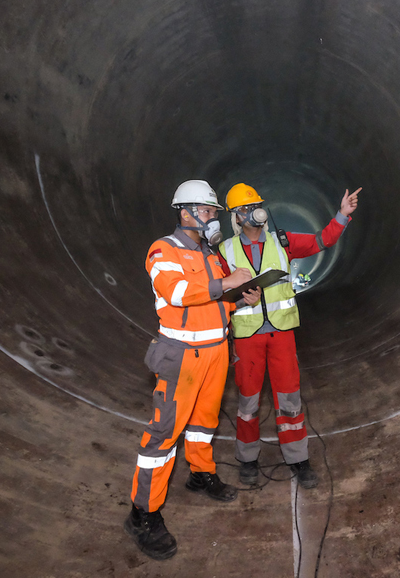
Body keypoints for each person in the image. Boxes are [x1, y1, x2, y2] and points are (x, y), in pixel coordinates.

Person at [125, 179, 260, 561]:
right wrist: (224, 284)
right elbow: (177, 293)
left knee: (203, 422)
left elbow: (219, 300)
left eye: (214, 212)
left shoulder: (212, 254)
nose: (211, 218)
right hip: (181, 355)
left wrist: (242, 295)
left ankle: (201, 473)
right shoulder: (163, 250)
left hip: (216, 350)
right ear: (184, 212)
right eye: (206, 211)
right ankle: (143, 514)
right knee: (163, 436)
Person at [218, 183, 361, 488]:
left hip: (281, 334)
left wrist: (342, 215)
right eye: (244, 209)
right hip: (247, 338)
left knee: (290, 400)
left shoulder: (282, 242)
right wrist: (243, 299)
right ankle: (247, 459)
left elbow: (321, 241)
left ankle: (297, 458)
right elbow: (217, 297)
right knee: (247, 402)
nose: (252, 213)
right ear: (235, 217)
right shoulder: (224, 252)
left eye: (255, 206)